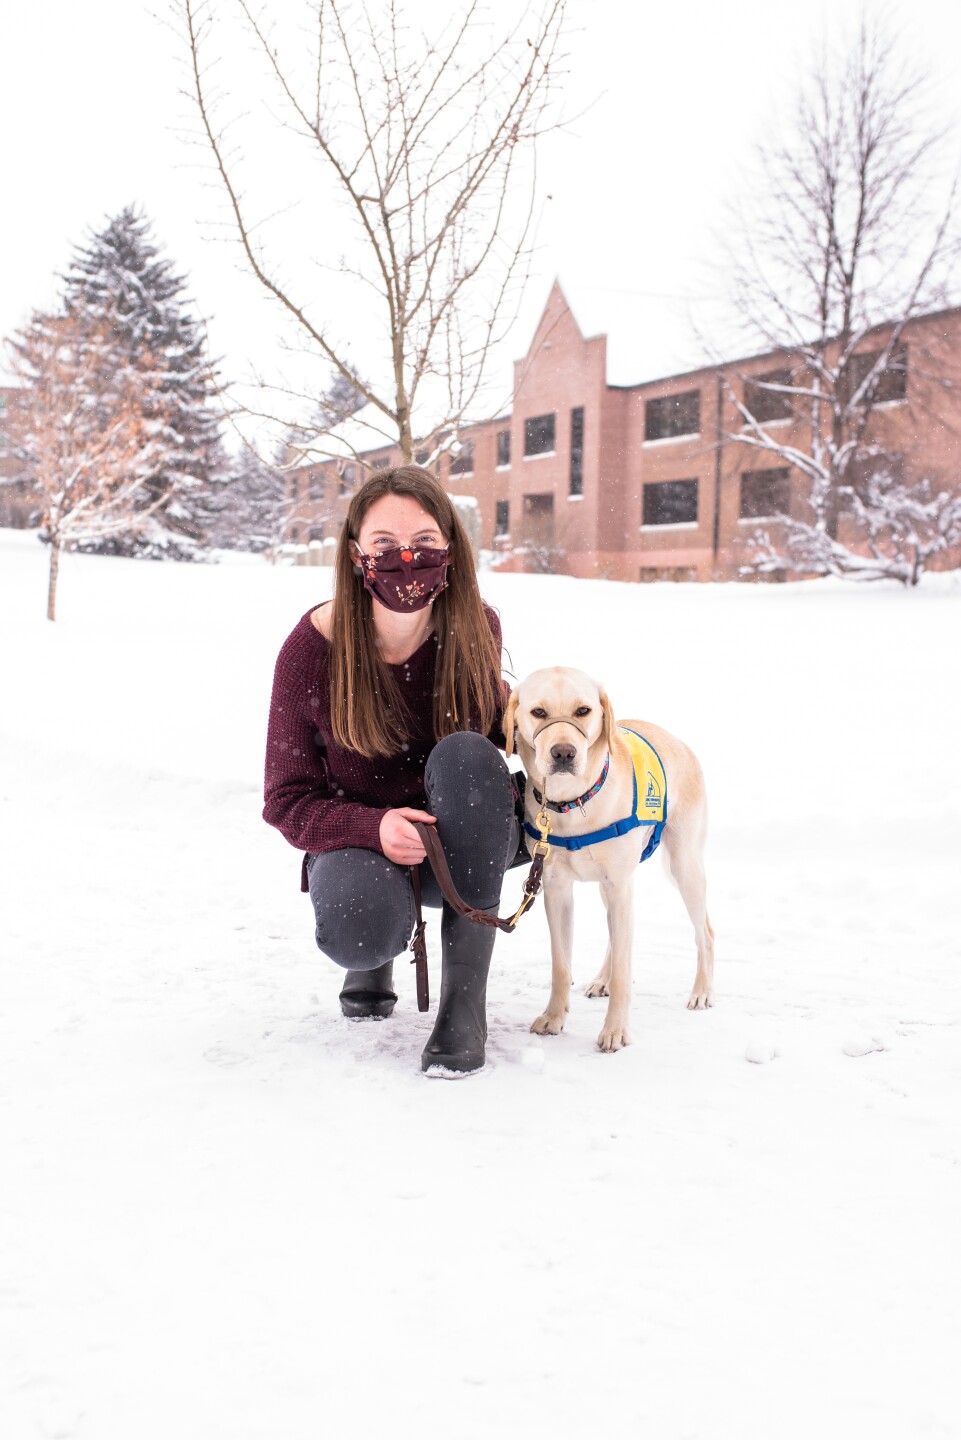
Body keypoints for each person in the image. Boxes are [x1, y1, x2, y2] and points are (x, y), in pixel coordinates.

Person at [263, 465, 521, 1075]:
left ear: (451, 550)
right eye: (385, 545)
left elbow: (484, 759)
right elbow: (285, 797)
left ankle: (465, 1004)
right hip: (363, 842)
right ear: (356, 555)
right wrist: (372, 828)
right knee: (361, 926)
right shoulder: (312, 650)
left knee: (465, 753)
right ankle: (373, 956)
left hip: (457, 846)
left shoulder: (476, 627)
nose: (407, 558)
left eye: (425, 543)